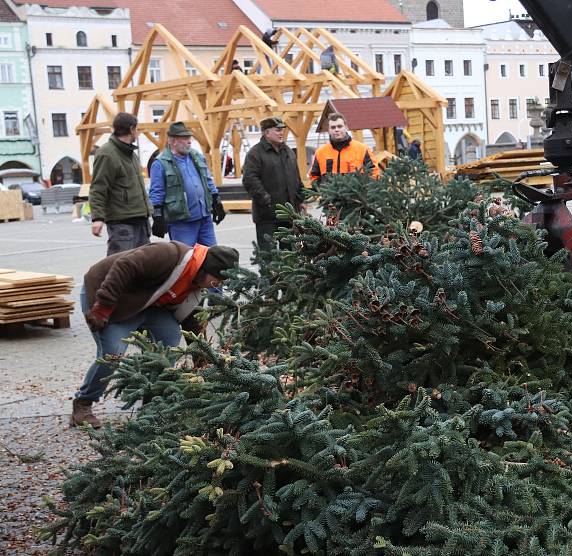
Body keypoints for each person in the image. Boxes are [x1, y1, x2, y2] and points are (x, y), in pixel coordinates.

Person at [71, 242, 239, 428]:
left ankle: (151, 403)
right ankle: (83, 404)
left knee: (169, 341)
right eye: (217, 281)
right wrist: (103, 307)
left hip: (147, 305)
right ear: (206, 269)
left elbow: (193, 324)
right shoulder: (169, 255)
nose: (217, 286)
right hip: (107, 296)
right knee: (112, 355)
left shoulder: (196, 286)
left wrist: (202, 362)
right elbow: (124, 266)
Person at [149, 122, 226, 247]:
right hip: (181, 222)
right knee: (186, 259)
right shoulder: (160, 163)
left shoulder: (197, 157)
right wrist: (157, 216)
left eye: (189, 138)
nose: (189, 141)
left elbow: (208, 180)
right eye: (185, 138)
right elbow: (156, 192)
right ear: (173, 141)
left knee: (212, 256)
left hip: (204, 218)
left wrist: (217, 201)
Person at [89, 112, 151, 256]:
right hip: (122, 223)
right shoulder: (107, 153)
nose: (139, 132)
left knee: (143, 266)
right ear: (131, 129)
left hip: (140, 220)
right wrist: (98, 218)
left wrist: (150, 210)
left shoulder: (131, 154)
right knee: (120, 266)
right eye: (137, 129)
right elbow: (98, 188)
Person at [242, 116, 305, 250]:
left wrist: (301, 199)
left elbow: (296, 177)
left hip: (289, 215)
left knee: (290, 254)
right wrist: (266, 200)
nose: (281, 133)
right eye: (277, 130)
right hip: (267, 216)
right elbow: (250, 180)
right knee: (268, 255)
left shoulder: (288, 152)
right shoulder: (255, 154)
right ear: (266, 132)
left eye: (282, 130)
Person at [308, 112, 380, 186]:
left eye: (339, 126)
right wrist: (322, 189)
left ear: (346, 127)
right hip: (329, 196)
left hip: (356, 196)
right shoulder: (320, 152)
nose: (336, 130)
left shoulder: (362, 149)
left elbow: (374, 172)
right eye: (333, 127)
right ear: (329, 130)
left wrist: (364, 191)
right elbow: (313, 176)